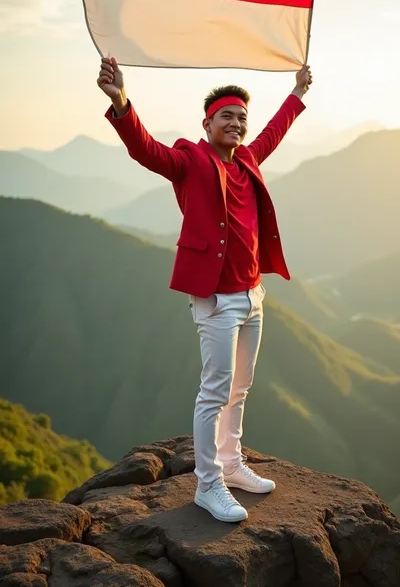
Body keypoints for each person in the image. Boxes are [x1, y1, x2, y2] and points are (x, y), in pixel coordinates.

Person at [97, 57, 312, 522]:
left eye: (240, 118)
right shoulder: (190, 161)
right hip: (216, 299)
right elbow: (146, 149)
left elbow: (273, 132)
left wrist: (297, 94)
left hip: (253, 295)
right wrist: (120, 101)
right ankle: (208, 485)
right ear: (207, 123)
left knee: (241, 386)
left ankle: (232, 466)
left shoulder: (249, 159)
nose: (236, 124)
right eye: (226, 117)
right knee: (214, 390)